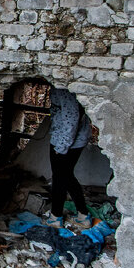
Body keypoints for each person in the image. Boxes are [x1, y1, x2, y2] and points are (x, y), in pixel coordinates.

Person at [47, 86, 91, 227]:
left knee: (59, 178)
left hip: (67, 141)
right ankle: (83, 215)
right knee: (66, 176)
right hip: (71, 139)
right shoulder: (65, 86)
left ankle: (55, 217)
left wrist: (61, 146)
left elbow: (71, 118)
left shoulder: (63, 89)